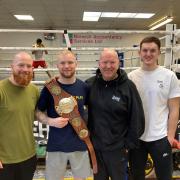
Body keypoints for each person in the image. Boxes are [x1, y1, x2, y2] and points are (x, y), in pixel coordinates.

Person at [86, 48, 145, 180]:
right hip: (96, 149)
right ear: (99, 63)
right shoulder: (90, 85)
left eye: (112, 62)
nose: (108, 66)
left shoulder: (128, 87)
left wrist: (127, 146)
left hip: (118, 150)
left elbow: (137, 118)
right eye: (104, 62)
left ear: (118, 63)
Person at [128, 36, 180, 180]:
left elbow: (175, 109)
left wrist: (170, 137)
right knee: (136, 176)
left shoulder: (169, 76)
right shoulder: (131, 77)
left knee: (164, 176)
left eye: (152, 50)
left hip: (161, 138)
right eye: (145, 50)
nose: (148, 54)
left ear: (159, 53)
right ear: (139, 53)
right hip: (137, 138)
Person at [36, 50, 92, 180]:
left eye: (70, 62)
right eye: (63, 63)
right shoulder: (49, 88)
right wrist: (51, 121)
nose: (67, 66)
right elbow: (38, 112)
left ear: (76, 64)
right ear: (57, 65)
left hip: (80, 144)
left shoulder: (84, 87)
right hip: (56, 146)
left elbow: (93, 110)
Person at [0, 52, 39, 180]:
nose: (25, 69)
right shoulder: (1, 89)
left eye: (29, 66)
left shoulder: (34, 90)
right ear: (12, 66)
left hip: (29, 157)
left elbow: (38, 114)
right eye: (21, 65)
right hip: (4, 160)